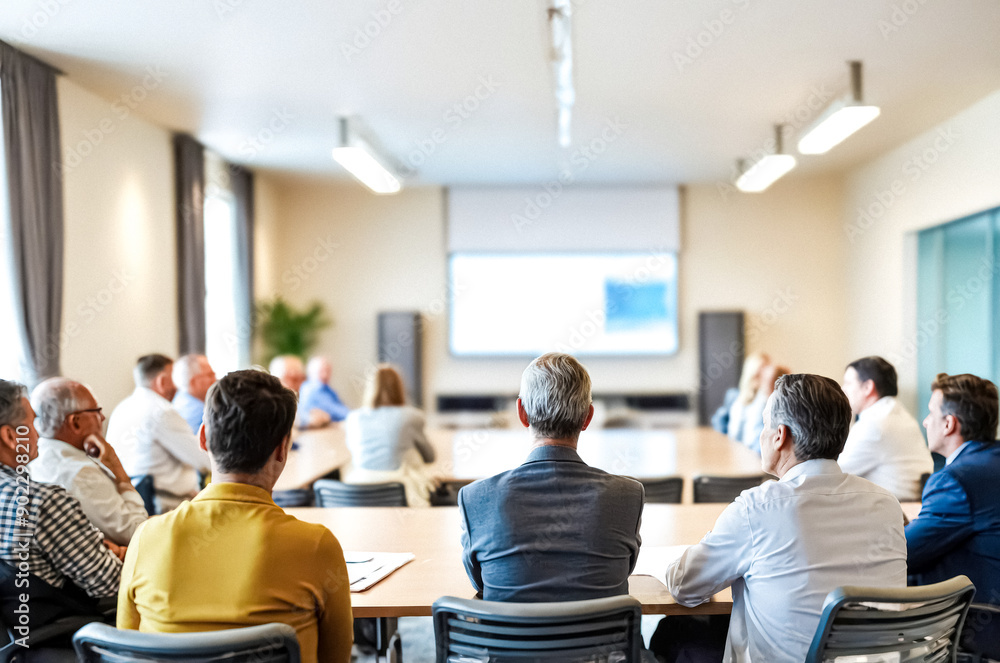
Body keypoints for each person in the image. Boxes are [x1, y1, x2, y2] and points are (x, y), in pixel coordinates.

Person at [658, 374, 906, 663]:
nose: (761, 434)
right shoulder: (888, 505)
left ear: (780, 435)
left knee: (670, 632)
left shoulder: (757, 508)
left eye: (764, 425)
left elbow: (685, 587)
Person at [117, 369, 353, 663]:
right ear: (282, 449)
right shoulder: (317, 546)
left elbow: (127, 648)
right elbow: (337, 657)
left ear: (203, 438)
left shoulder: (146, 539)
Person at [458, 352, 644, 602]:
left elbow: (481, 583)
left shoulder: (475, 498)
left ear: (521, 413)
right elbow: (622, 572)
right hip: (600, 641)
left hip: (511, 641)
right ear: (588, 417)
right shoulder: (627, 495)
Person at [0, 380, 123, 631]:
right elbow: (111, 582)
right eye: (32, 423)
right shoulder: (41, 501)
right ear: (10, 436)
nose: (38, 434)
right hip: (64, 636)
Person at [906, 372, 1000, 602]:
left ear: (949, 424)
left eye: (931, 413)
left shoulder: (954, 480)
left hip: (976, 623)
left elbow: (903, 555)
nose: (925, 422)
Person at [29, 378, 148, 545]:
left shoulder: (35, 459)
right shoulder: (80, 472)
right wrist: (117, 469)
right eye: (97, 411)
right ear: (75, 422)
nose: (103, 417)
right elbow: (136, 533)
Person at [106, 354, 210, 511]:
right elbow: (203, 459)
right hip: (165, 506)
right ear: (162, 381)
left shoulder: (121, 409)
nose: (178, 387)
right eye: (174, 378)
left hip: (131, 502)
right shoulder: (162, 411)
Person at [839, 356, 933, 501]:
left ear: (867, 387)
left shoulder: (875, 424)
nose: (843, 389)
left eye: (848, 383)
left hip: (895, 509)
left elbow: (835, 474)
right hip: (910, 503)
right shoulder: (898, 414)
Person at [342, 364, 436, 506]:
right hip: (398, 494)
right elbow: (429, 457)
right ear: (399, 388)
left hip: (357, 494)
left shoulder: (353, 418)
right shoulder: (412, 416)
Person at [712, 352, 768, 435]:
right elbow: (718, 422)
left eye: (766, 370)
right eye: (758, 374)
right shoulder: (734, 396)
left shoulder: (766, 399)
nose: (763, 374)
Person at [269, 355, 330, 428]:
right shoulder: (271, 401)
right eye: (293, 378)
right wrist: (310, 420)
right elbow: (290, 420)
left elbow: (304, 414)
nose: (299, 384)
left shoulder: (297, 398)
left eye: (301, 378)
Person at [171, 354, 216, 434]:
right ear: (193, 382)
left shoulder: (179, 398)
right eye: (210, 375)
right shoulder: (199, 413)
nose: (215, 379)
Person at [299, 356, 350, 422]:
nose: (325, 375)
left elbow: (340, 406)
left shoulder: (328, 389)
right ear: (311, 372)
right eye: (321, 371)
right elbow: (333, 410)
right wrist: (354, 415)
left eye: (328, 371)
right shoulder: (311, 389)